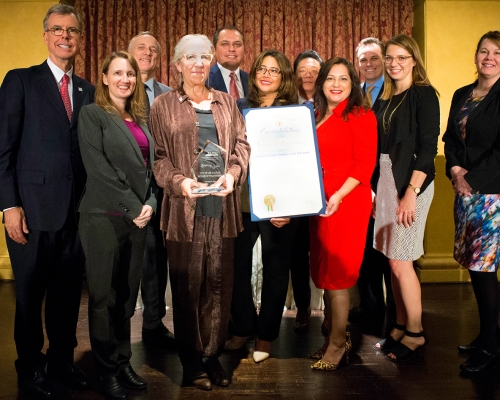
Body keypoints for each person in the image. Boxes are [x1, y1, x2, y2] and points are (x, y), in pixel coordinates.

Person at [0, 5, 94, 398]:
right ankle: (29, 370)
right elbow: (3, 149)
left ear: (79, 38)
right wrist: (9, 206)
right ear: (46, 36)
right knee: (28, 298)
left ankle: (60, 363)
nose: (65, 37)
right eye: (57, 30)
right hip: (31, 213)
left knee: (67, 297)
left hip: (75, 213)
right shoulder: (20, 81)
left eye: (72, 31)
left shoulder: (88, 90)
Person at [150, 34, 250, 391]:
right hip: (184, 211)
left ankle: (212, 357)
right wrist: (179, 183)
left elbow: (241, 146)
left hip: (222, 208)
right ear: (177, 64)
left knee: (219, 287)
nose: (197, 63)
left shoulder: (227, 102)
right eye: (189, 57)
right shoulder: (162, 105)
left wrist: (233, 174)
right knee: (187, 286)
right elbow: (159, 159)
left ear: (210, 63)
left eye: (204, 57)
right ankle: (190, 360)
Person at [78, 51, 156, 400]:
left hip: (137, 221)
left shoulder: (141, 119)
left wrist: (150, 205)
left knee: (126, 298)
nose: (125, 79)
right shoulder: (92, 114)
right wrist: (132, 206)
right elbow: (99, 169)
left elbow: (151, 170)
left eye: (131, 73)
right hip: (103, 219)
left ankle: (123, 361)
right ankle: (106, 369)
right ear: (105, 78)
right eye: (118, 72)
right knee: (103, 298)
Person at [224, 50, 298, 362]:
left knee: (276, 270)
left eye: (274, 71)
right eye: (261, 69)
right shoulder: (239, 108)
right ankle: (242, 327)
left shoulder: (295, 113)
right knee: (235, 268)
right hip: (240, 201)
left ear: (284, 78)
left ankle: (265, 336)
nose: (265, 75)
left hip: (278, 205)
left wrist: (291, 206)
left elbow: (300, 163)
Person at [372, 34, 440, 361]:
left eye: (402, 57)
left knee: (401, 262)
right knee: (392, 260)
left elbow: (428, 149)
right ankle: (399, 324)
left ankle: (416, 332)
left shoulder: (424, 95)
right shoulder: (384, 97)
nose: (395, 63)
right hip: (386, 183)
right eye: (390, 57)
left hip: (412, 185)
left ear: (414, 60)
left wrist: (410, 193)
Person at [308, 57, 377, 371]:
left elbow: (364, 166)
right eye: (330, 78)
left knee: (338, 276)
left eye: (344, 79)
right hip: (318, 203)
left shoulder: (362, 115)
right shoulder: (315, 113)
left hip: (346, 202)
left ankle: (338, 343)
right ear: (322, 82)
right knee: (323, 271)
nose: (336, 84)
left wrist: (336, 195)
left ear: (353, 83)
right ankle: (331, 336)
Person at [443, 30, 500, 373]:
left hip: (491, 194)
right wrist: (453, 169)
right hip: (464, 191)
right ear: (475, 56)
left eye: (496, 52)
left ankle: (491, 351)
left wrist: (470, 180)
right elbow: (450, 137)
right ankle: (488, 336)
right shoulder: (463, 94)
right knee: (476, 268)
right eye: (483, 51)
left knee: (483, 271)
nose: (489, 57)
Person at [128, 31, 175, 347]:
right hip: (124, 193)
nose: (147, 53)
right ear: (128, 53)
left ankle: (153, 325)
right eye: (140, 48)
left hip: (162, 192)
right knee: (129, 266)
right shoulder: (114, 92)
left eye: (153, 50)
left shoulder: (169, 95)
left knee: (157, 261)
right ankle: (117, 337)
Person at [349, 37, 395, 326]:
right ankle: (371, 307)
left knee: (391, 252)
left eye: (374, 58)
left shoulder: (396, 92)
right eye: (363, 59)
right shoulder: (355, 94)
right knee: (365, 249)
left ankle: (397, 314)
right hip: (360, 183)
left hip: (390, 181)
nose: (368, 64)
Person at [290, 50, 323, 333]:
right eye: (303, 69)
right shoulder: (286, 105)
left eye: (314, 70)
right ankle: (303, 305)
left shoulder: (332, 103)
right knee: (298, 252)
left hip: (329, 189)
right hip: (296, 189)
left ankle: (336, 308)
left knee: (326, 248)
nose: (309, 74)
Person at [209, 26, 248, 99]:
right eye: (225, 44)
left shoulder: (252, 81)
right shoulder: (205, 79)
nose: (232, 49)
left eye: (237, 44)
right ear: (214, 50)